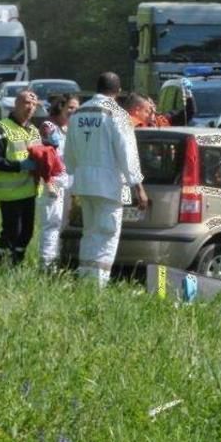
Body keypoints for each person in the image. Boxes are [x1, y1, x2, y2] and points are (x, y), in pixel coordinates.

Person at [64, 72, 148, 288]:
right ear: (118, 92)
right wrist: (137, 185)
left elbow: (69, 153)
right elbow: (127, 152)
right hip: (109, 185)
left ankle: (85, 281)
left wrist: (75, 173)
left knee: (90, 233)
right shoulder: (116, 114)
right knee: (107, 235)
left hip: (84, 183)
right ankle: (98, 286)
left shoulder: (78, 113)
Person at [0, 88, 42, 265]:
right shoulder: (0, 128)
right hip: (10, 192)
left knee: (27, 232)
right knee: (11, 231)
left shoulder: (33, 130)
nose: (30, 107)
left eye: (34, 104)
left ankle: (16, 262)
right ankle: (0, 262)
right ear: (16, 104)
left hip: (29, 190)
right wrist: (19, 166)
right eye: (26, 102)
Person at [35, 94, 80, 269]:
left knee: (65, 226)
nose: (73, 112)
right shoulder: (49, 127)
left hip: (69, 184)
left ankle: (60, 263)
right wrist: (48, 183)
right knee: (52, 225)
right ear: (60, 107)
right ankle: (46, 266)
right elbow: (45, 159)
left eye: (76, 108)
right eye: (70, 107)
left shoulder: (72, 129)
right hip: (53, 184)